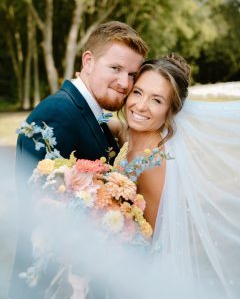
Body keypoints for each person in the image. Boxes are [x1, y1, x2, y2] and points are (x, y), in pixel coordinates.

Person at [10, 21, 148, 299]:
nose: (125, 84)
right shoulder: (58, 113)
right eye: (116, 69)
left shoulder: (89, 113)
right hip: (53, 285)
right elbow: (41, 211)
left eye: (132, 74)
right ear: (88, 61)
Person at [107, 53, 240, 298]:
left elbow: (156, 236)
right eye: (137, 92)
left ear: (171, 110)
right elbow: (117, 126)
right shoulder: (129, 133)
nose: (140, 105)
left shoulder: (154, 160)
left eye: (156, 100)